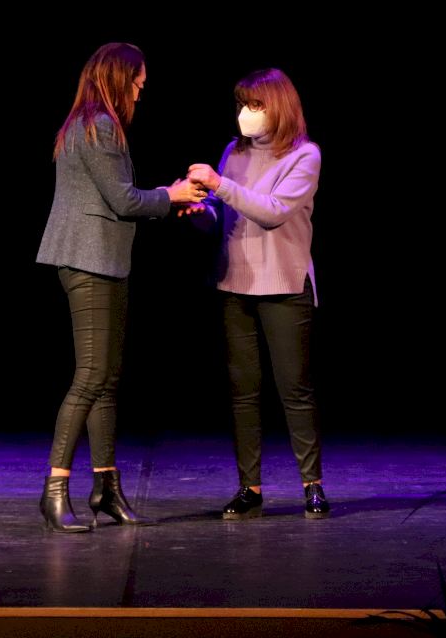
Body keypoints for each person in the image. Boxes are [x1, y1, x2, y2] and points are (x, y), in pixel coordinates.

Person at [35, 42, 205, 533]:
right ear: (118, 78)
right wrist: (171, 195)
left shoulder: (90, 125)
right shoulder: (99, 126)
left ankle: (106, 488)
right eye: (136, 83)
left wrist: (170, 199)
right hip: (88, 260)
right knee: (91, 375)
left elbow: (121, 199)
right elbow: (124, 201)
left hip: (104, 260)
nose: (139, 92)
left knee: (107, 379)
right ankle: (54, 490)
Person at [185, 68, 329, 520]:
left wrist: (220, 185)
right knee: (243, 391)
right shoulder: (234, 152)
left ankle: (312, 485)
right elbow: (222, 215)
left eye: (255, 104)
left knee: (295, 390)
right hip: (236, 283)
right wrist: (200, 212)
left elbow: (272, 212)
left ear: (278, 107)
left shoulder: (305, 155)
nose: (246, 113)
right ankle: (250, 488)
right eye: (242, 104)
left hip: (284, 284)